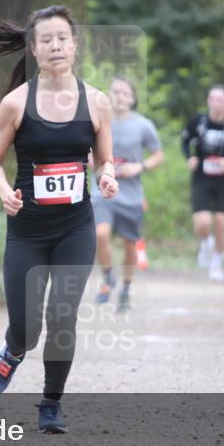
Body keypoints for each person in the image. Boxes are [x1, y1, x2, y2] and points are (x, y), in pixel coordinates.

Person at [0, 5, 118, 434]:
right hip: (27, 231)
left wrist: (107, 176)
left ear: (74, 45)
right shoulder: (15, 104)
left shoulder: (97, 102)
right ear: (34, 49)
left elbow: (105, 160)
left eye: (62, 38)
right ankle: (13, 351)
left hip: (75, 227)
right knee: (27, 327)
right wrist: (4, 194)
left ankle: (50, 403)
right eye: (46, 39)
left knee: (62, 316)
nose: (55, 45)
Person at [92, 76, 163, 310]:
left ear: (132, 99)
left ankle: (125, 287)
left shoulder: (143, 125)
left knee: (130, 244)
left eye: (124, 93)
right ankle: (108, 276)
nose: (119, 97)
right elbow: (87, 150)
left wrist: (140, 166)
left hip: (131, 195)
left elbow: (157, 155)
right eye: (115, 92)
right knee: (100, 234)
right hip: (102, 192)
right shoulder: (99, 121)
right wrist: (94, 163)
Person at [181, 84, 224, 281]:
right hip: (201, 177)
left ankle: (217, 262)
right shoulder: (197, 122)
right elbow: (185, 142)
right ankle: (206, 242)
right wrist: (190, 158)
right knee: (202, 222)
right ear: (208, 101)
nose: (215, 103)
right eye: (212, 99)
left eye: (220, 99)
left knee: (221, 222)